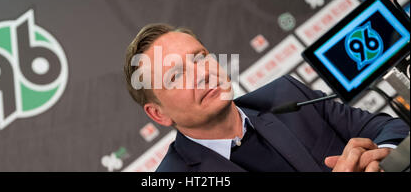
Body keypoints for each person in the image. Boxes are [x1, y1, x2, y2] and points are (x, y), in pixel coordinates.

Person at [124, 23, 409, 172]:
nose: (202, 74)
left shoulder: (286, 95)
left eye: (200, 58)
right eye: (176, 76)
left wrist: (380, 157)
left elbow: (392, 129)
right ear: (158, 114)